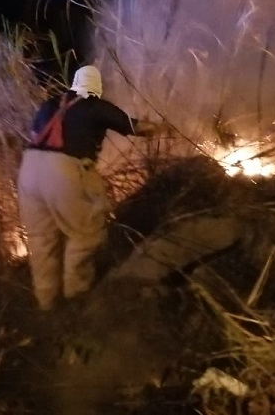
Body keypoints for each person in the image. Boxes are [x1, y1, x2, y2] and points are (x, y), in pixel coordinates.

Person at [17, 65, 169, 311]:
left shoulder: (48, 105)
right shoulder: (95, 106)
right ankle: (77, 296)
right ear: (95, 87)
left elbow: (36, 134)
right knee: (86, 233)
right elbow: (137, 127)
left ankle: (47, 305)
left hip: (28, 170)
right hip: (63, 170)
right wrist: (163, 128)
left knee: (41, 239)